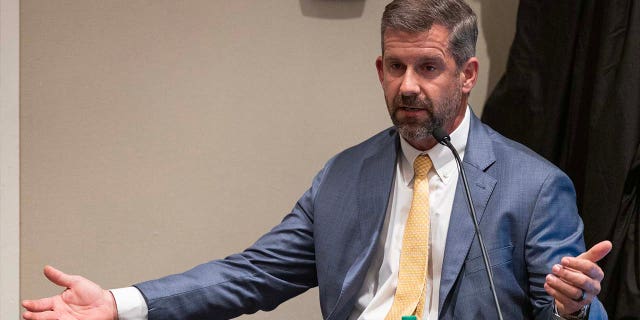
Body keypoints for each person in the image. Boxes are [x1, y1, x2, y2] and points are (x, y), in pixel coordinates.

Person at [22, 0, 612, 319]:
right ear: (380, 69)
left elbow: (564, 307)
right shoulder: (344, 175)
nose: (408, 85)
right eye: (394, 66)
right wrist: (121, 305)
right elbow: (252, 274)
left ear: (467, 74)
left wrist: (572, 310)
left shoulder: (534, 186)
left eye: (428, 68)